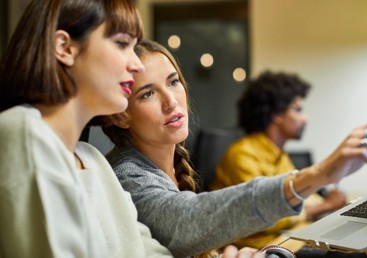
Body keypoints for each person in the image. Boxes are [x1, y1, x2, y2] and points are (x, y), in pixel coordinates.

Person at [0, 1, 260, 258]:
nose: (135, 64)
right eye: (122, 44)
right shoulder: (24, 131)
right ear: (65, 47)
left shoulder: (92, 160)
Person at [101, 39, 367, 258]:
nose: (171, 101)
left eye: (174, 82)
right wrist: (319, 175)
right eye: (148, 93)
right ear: (120, 112)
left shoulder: (168, 170)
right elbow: (184, 222)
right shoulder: (126, 175)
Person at [209, 71, 347, 249]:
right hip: (259, 247)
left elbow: (301, 195)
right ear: (277, 115)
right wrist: (324, 206)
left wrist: (333, 204)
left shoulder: (279, 155)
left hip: (288, 235)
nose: (305, 119)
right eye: (297, 110)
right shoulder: (241, 155)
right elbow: (261, 215)